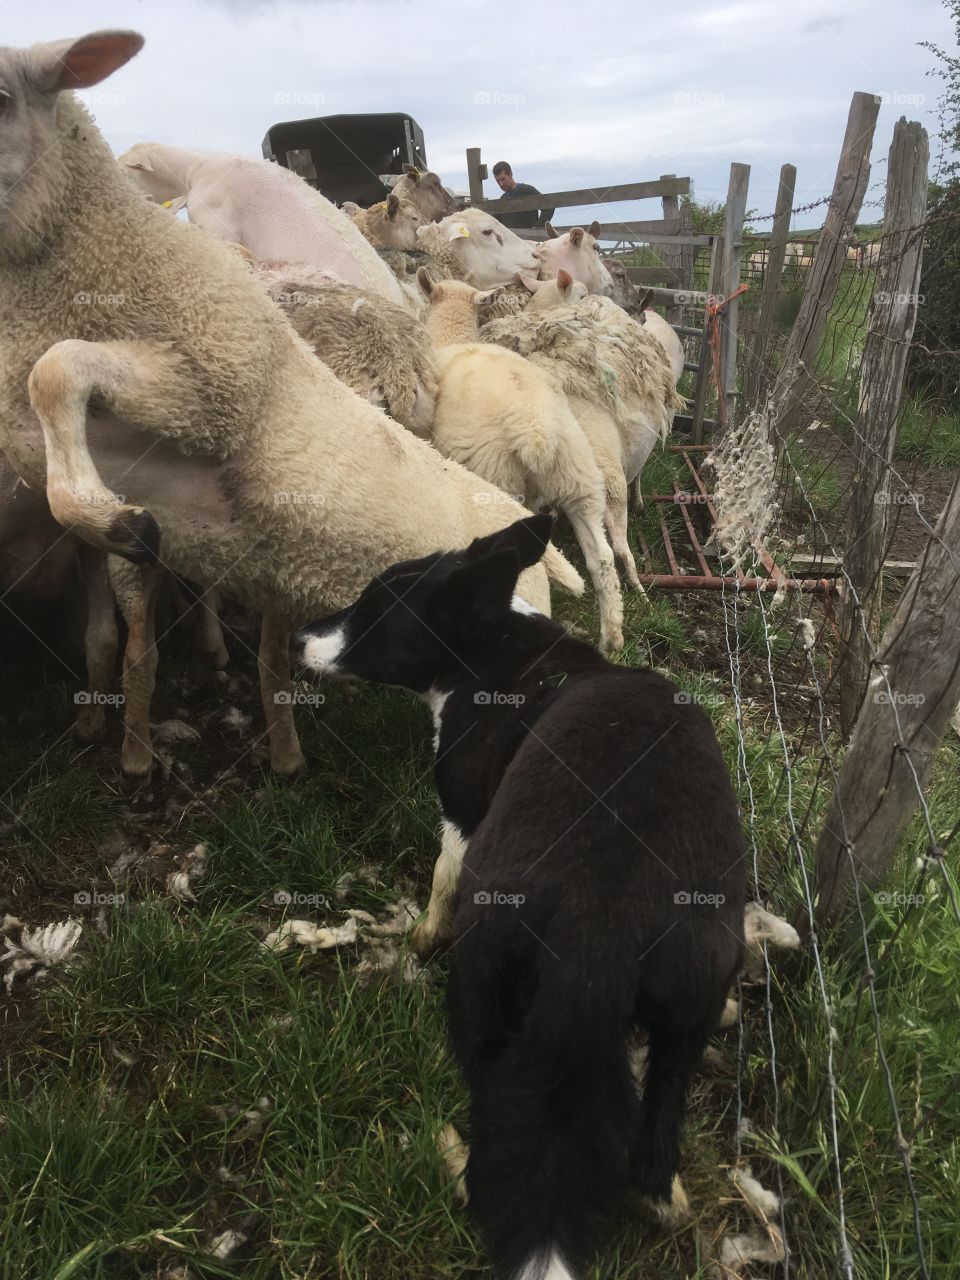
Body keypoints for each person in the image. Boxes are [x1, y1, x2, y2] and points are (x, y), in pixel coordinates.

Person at [491, 160, 554, 230]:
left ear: (510, 174)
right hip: (509, 237)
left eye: (503, 179)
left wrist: (536, 228)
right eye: (498, 181)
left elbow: (549, 207)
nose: (501, 184)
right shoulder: (501, 200)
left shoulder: (527, 190)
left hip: (529, 237)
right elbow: (494, 221)